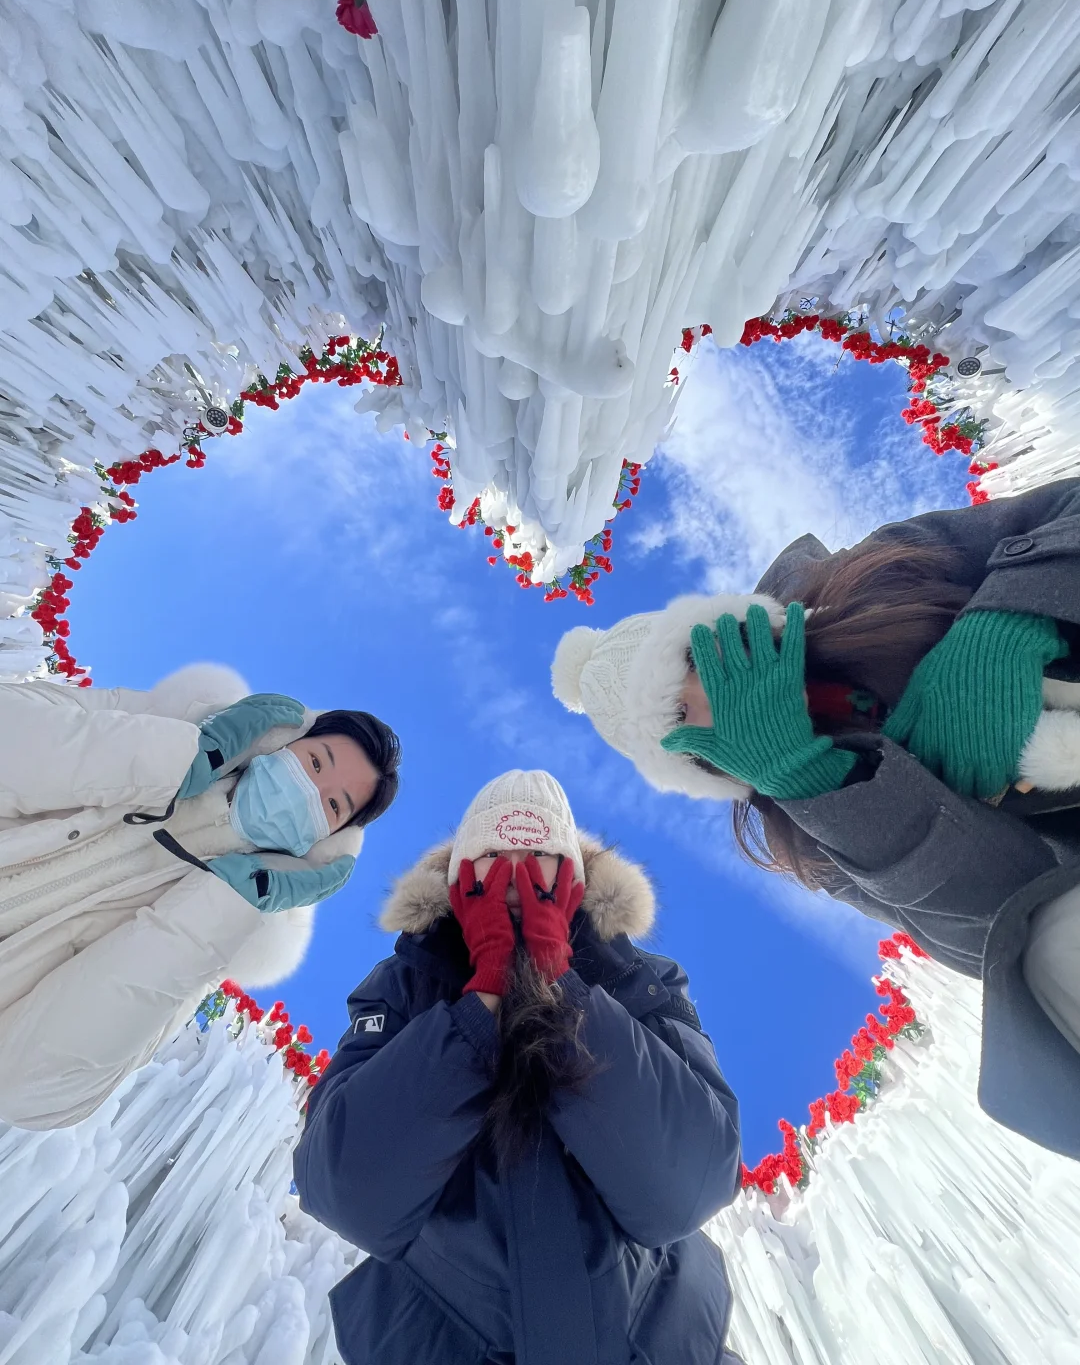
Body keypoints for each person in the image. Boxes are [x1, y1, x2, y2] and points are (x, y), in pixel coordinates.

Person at [551, 478, 1080, 1161]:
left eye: (689, 660)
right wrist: (818, 785)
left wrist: (1006, 619)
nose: (706, 694)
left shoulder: (872, 575)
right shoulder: (811, 838)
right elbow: (1004, 932)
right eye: (679, 719)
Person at [294, 770, 742, 1365]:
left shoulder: (642, 979)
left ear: (575, 876)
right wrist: (482, 1001)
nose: (514, 876)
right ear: (458, 875)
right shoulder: (405, 983)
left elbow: (690, 1184)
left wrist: (559, 985)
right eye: (492, 856)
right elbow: (345, 1185)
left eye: (539, 856)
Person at [0, 663, 401, 1130]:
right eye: (315, 763)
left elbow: (35, 1089)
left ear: (324, 842)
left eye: (333, 806)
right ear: (279, 742)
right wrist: (179, 758)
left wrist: (232, 901)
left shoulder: (209, 943)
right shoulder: (159, 721)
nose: (310, 793)